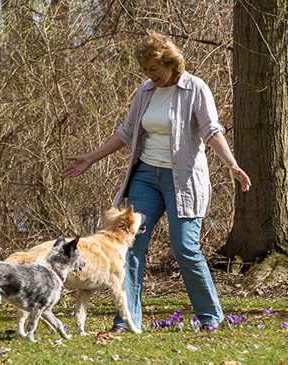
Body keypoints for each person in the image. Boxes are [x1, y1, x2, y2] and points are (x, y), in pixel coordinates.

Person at [62, 31, 251, 333]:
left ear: (172, 64)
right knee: (130, 249)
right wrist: (91, 157)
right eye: (145, 70)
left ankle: (211, 318)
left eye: (155, 69)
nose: (150, 76)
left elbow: (212, 131)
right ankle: (126, 320)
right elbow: (126, 132)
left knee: (185, 248)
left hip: (184, 180)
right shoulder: (146, 91)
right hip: (147, 176)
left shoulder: (195, 89)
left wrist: (232, 165)